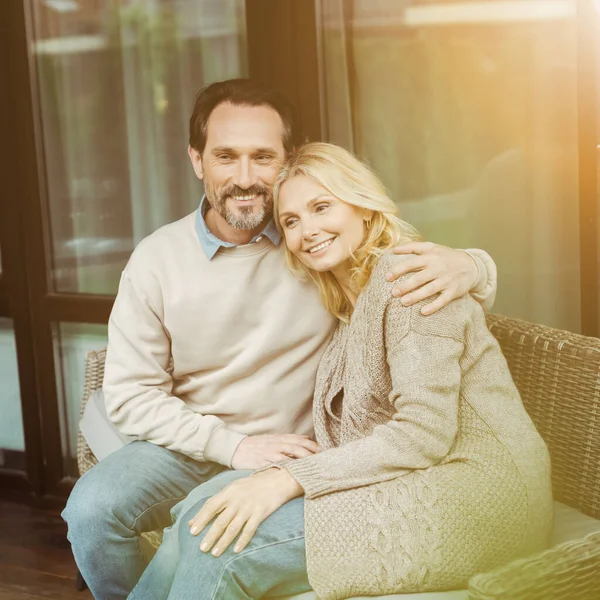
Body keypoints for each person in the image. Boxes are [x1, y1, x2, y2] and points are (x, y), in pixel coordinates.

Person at [62, 80, 498, 600]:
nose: (244, 178)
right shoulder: (156, 260)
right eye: (226, 156)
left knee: (204, 532)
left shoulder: (311, 244)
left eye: (263, 157)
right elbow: (131, 397)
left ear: (286, 162)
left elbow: (396, 264)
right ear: (198, 160)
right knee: (90, 511)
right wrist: (234, 446)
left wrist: (473, 265)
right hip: (196, 440)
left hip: (302, 446)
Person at [127, 142, 552, 600]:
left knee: (218, 546)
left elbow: (424, 434)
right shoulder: (342, 307)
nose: (307, 230)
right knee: (200, 516)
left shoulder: (409, 282)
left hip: (479, 497)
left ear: (364, 210)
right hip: (411, 476)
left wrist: (288, 479)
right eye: (291, 221)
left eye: (321, 207)